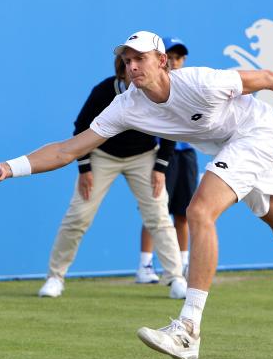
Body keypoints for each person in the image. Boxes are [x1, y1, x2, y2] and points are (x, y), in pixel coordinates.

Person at [0, 31, 273, 359]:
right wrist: (9, 167)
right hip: (227, 147)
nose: (132, 66)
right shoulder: (125, 106)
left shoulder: (202, 82)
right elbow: (69, 149)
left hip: (256, 133)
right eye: (127, 60)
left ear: (162, 62)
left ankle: (188, 329)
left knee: (199, 211)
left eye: (140, 58)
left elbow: (268, 77)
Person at [36, 55, 188, 299]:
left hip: (144, 157)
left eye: (140, 64)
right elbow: (81, 127)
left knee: (158, 215)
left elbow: (170, 126)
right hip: (102, 157)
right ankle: (55, 277)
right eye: (129, 66)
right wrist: (85, 169)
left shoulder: (158, 90)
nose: (135, 71)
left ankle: (176, 278)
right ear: (121, 71)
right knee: (78, 216)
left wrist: (160, 168)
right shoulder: (104, 91)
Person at [138, 36, 198, 281]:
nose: (174, 61)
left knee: (184, 213)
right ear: (160, 60)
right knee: (156, 211)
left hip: (186, 154)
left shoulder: (191, 84)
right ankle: (145, 265)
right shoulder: (150, 86)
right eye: (170, 57)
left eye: (179, 57)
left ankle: (182, 264)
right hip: (159, 154)